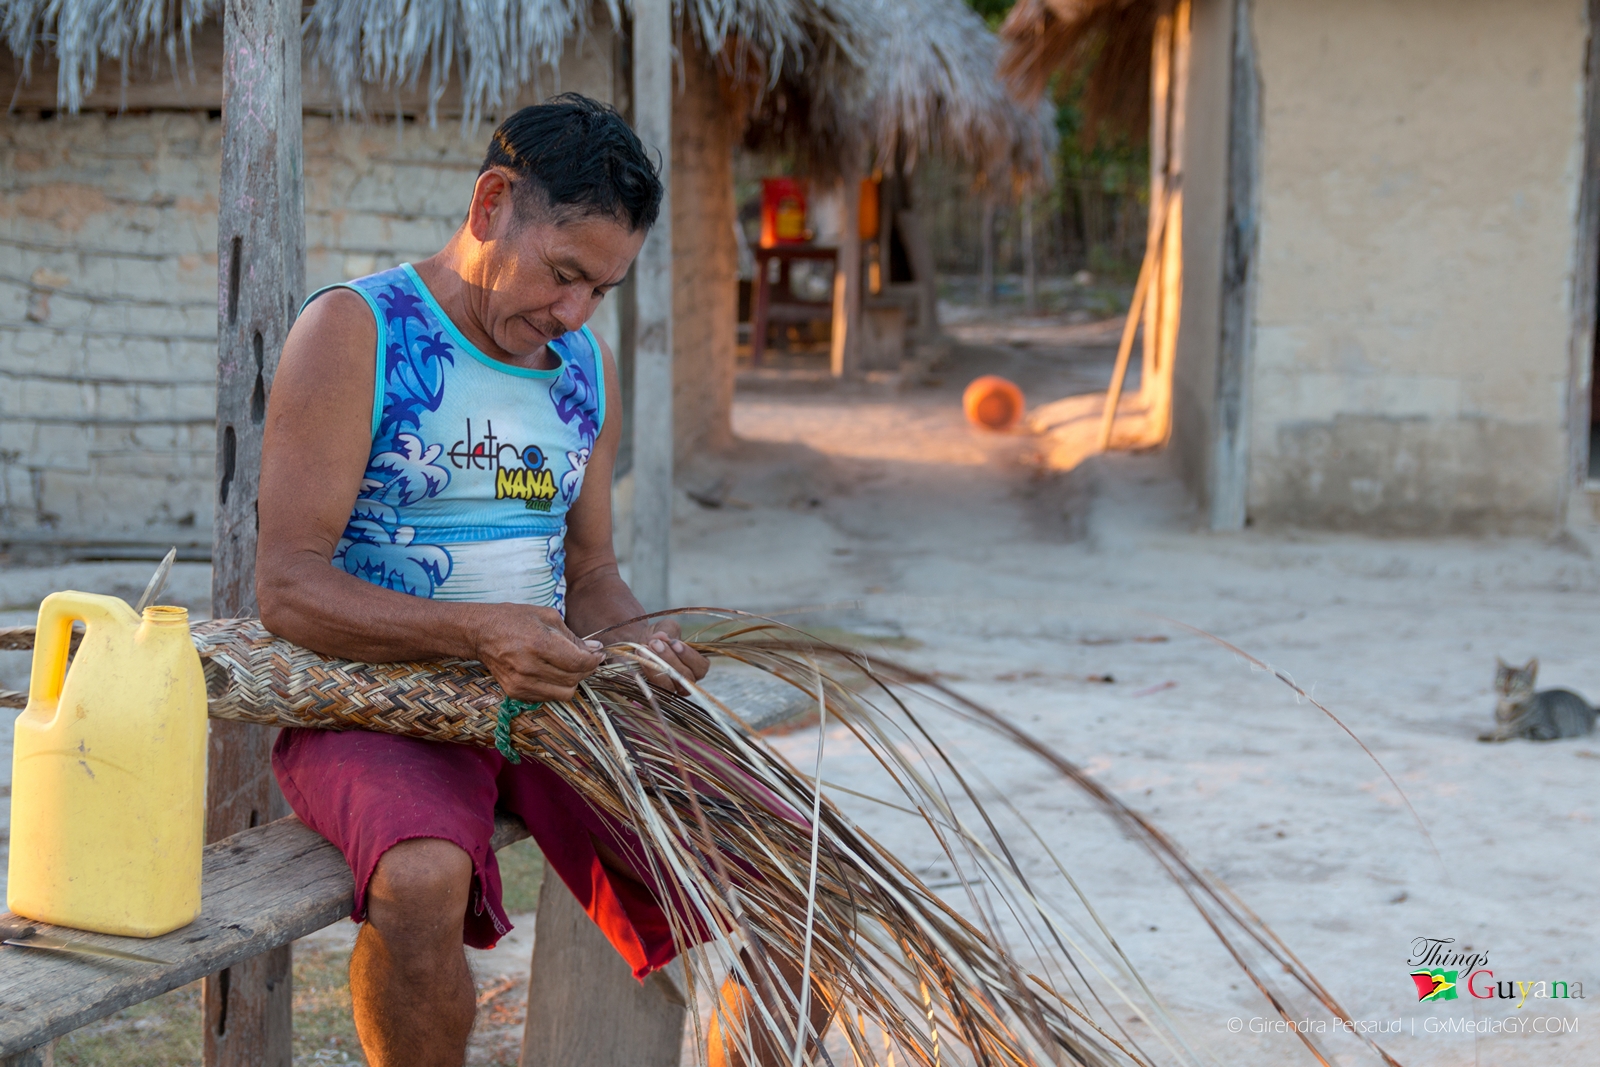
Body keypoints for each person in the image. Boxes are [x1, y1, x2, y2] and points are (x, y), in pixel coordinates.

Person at [257, 94, 821, 1067]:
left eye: (599, 290)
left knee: (795, 866)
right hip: (370, 702)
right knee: (422, 876)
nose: (572, 313)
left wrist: (637, 637)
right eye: (563, 275)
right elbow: (291, 589)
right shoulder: (360, 331)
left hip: (548, 699)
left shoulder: (576, 368)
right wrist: (477, 631)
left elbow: (593, 573)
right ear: (490, 204)